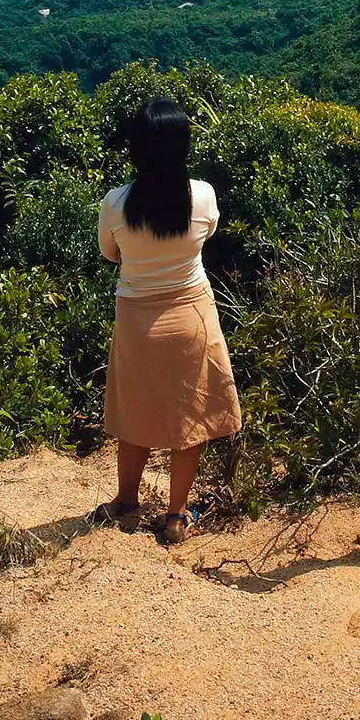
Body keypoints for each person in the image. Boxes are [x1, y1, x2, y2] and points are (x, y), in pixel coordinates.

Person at [90, 97, 243, 545]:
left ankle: (126, 503)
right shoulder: (203, 195)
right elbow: (208, 232)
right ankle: (176, 516)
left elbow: (109, 254)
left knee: (133, 412)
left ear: (135, 148)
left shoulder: (115, 203)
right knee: (189, 415)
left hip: (137, 319)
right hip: (191, 313)